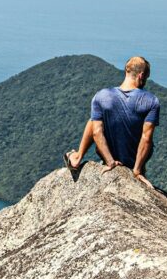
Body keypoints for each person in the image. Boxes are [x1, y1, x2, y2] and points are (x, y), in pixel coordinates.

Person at [64, 56, 160, 187]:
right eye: (146, 77)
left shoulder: (101, 96)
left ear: (126, 70)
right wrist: (137, 171)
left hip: (110, 158)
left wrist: (110, 162)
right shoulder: (151, 101)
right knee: (96, 119)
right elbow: (146, 138)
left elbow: (97, 132)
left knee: (94, 120)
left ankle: (77, 157)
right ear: (141, 75)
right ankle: (139, 169)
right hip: (133, 162)